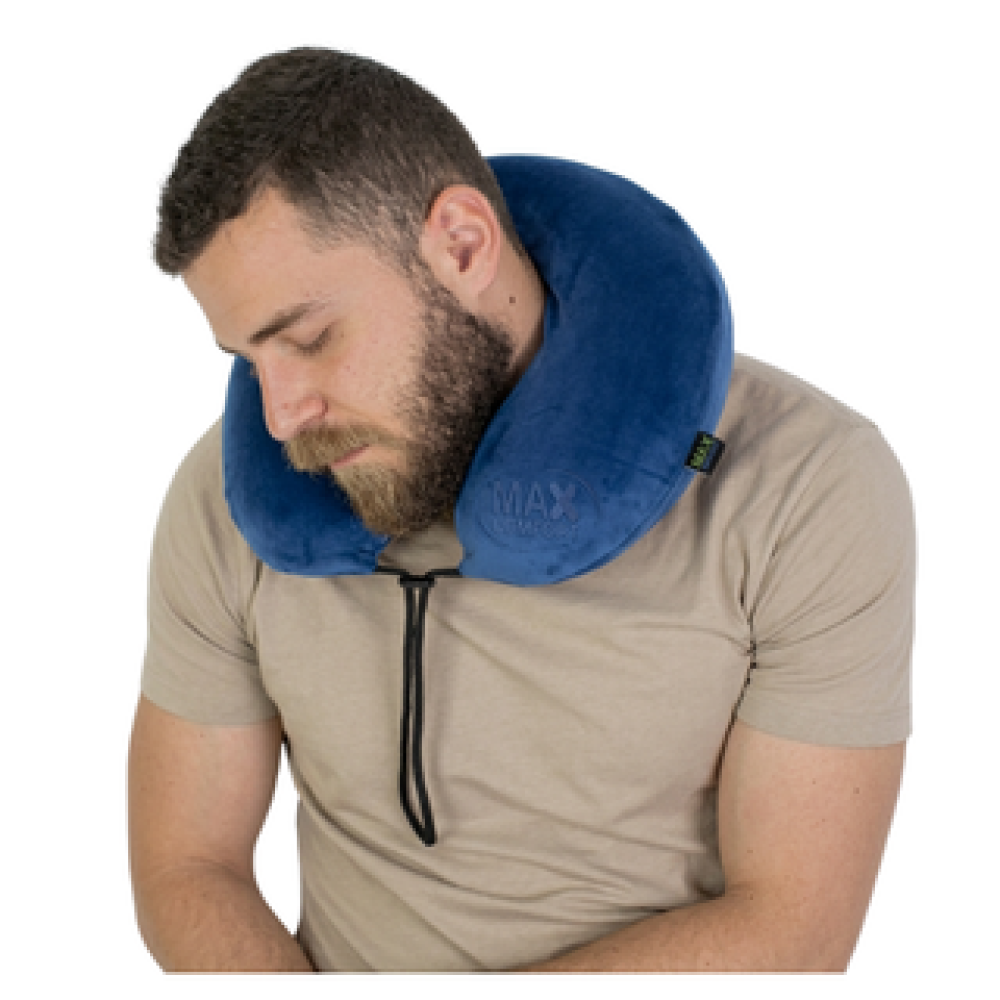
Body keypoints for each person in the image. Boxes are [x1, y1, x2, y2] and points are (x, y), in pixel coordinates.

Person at [128, 47, 915, 973]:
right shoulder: (235, 496)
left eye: (309, 338)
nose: (281, 416)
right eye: (249, 359)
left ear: (463, 246)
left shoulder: (805, 485)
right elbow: (190, 865)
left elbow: (793, 930)